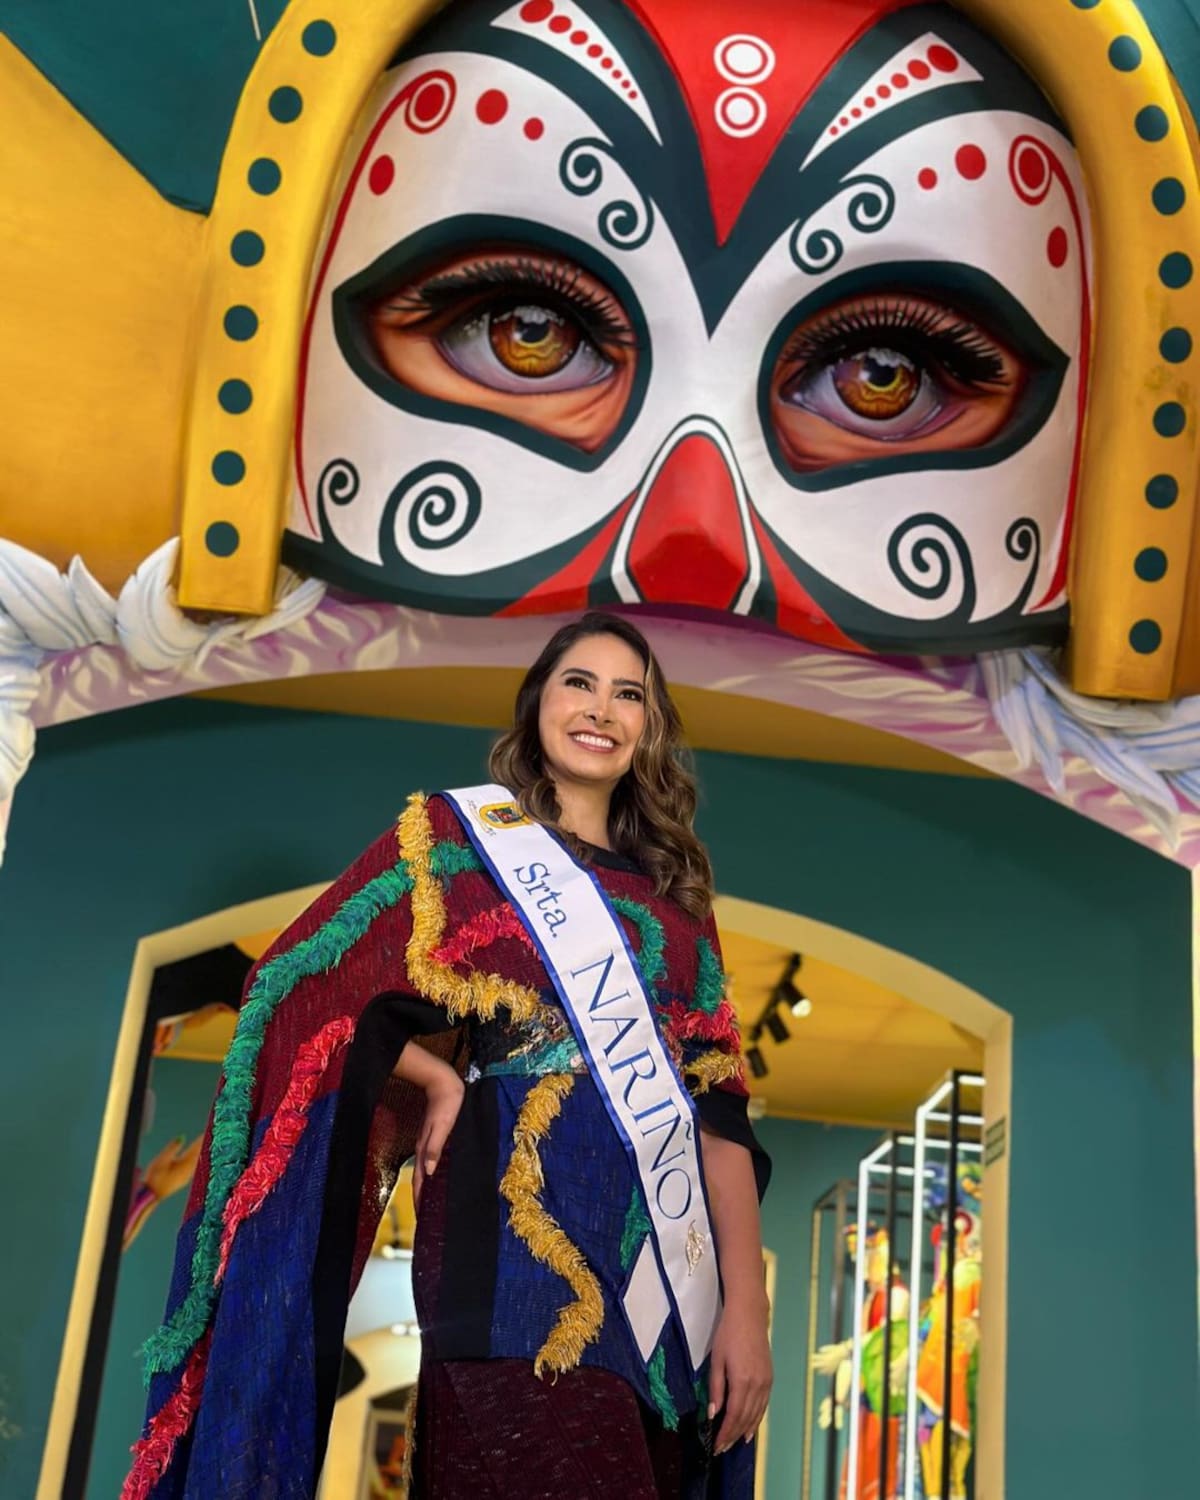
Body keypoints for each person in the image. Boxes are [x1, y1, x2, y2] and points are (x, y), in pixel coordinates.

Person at [125, 612, 771, 1500]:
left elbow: (719, 1116)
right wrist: (429, 1074)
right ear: (539, 700)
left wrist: (749, 1310)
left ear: (649, 729)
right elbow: (300, 982)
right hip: (501, 1262)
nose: (602, 708)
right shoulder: (457, 844)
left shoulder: (677, 913)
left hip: (657, 1292)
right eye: (580, 682)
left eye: (630, 695)